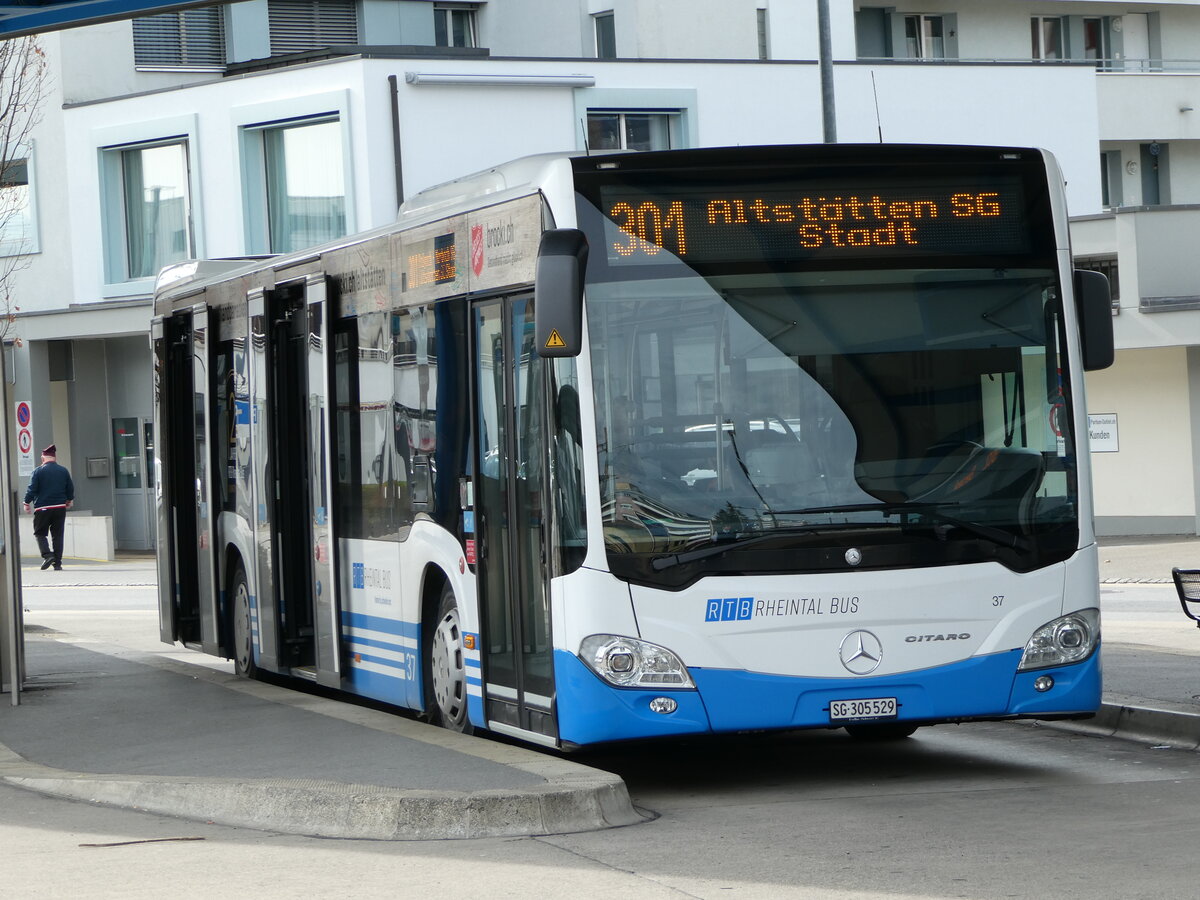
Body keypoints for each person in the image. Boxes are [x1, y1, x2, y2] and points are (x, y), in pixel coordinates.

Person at [23, 444, 74, 571]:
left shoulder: (38, 471)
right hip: (59, 507)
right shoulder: (63, 470)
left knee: (40, 533)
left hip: (43, 508)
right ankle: (57, 563)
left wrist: (26, 502)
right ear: (54, 457)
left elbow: (32, 489)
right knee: (58, 535)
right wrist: (69, 500)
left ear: (43, 458)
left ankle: (47, 555)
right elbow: (70, 488)